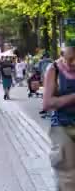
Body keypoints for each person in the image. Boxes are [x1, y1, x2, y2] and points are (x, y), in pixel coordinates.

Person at [42, 39, 75, 191]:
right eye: (69, 59)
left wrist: (61, 100)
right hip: (62, 126)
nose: (72, 63)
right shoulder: (53, 69)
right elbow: (47, 104)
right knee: (67, 176)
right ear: (61, 54)